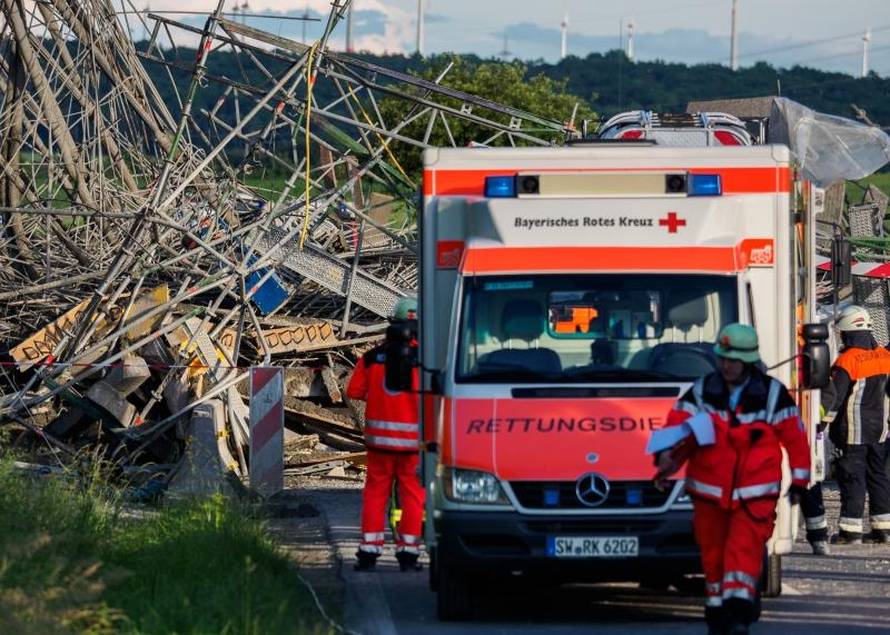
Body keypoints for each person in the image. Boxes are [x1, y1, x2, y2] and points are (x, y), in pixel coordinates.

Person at [647, 323, 810, 635]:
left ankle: (738, 613)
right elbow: (677, 426)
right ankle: (717, 610)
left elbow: (795, 438)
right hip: (709, 494)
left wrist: (801, 482)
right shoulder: (702, 390)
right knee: (713, 557)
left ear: (748, 360)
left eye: (732, 360)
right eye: (722, 358)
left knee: (741, 553)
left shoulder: (772, 394)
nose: (726, 365)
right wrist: (665, 458)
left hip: (753, 496)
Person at [346, 297, 425, 572]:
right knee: (413, 496)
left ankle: (369, 550)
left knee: (375, 494)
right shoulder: (426, 360)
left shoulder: (371, 358)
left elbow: (353, 391)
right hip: (413, 445)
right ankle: (409, 552)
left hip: (379, 444)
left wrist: (379, 398)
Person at [819, 305, 890, 544]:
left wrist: (820, 423)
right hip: (880, 431)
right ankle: (884, 529)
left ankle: (850, 532)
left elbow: (834, 399)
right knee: (878, 477)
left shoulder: (847, 361)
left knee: (853, 479)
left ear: (847, 331)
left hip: (852, 431)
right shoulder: (885, 356)